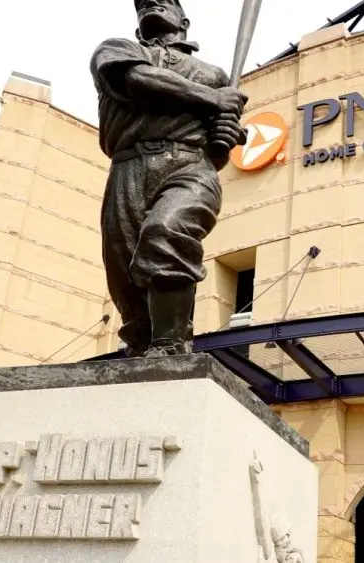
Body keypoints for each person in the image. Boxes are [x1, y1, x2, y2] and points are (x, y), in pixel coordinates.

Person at [90, 0, 248, 357]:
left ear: (184, 21)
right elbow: (137, 80)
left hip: (190, 167)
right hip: (128, 168)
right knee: (125, 273)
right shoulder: (118, 50)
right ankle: (142, 346)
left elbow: (219, 153)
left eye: (165, 2)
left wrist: (226, 133)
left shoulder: (214, 74)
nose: (153, 3)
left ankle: (170, 345)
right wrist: (213, 101)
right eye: (144, 3)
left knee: (166, 231)